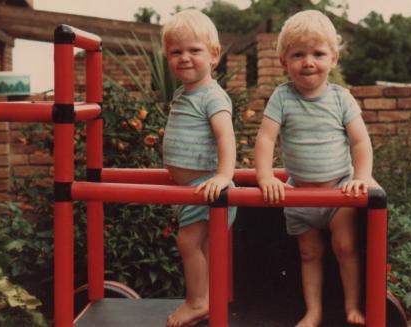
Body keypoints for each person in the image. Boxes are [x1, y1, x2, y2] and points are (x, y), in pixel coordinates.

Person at [255, 10, 376, 326]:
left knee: (344, 246)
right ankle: (314, 311)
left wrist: (361, 178)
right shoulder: (282, 97)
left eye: (318, 54)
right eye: (298, 54)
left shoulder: (341, 98)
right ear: (284, 61)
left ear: (333, 59)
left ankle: (352, 305)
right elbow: (266, 139)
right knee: (309, 254)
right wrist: (266, 176)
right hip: (299, 195)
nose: (308, 62)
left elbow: (361, 143)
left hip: (340, 191)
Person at [161, 9, 237, 327]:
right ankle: (209, 299)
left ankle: (197, 302)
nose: (185, 58)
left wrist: (223, 176)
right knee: (202, 248)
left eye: (194, 50)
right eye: (176, 52)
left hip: (207, 188)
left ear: (214, 54)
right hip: (191, 191)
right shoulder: (183, 93)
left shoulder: (212, 97)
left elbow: (226, 137)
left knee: (188, 243)